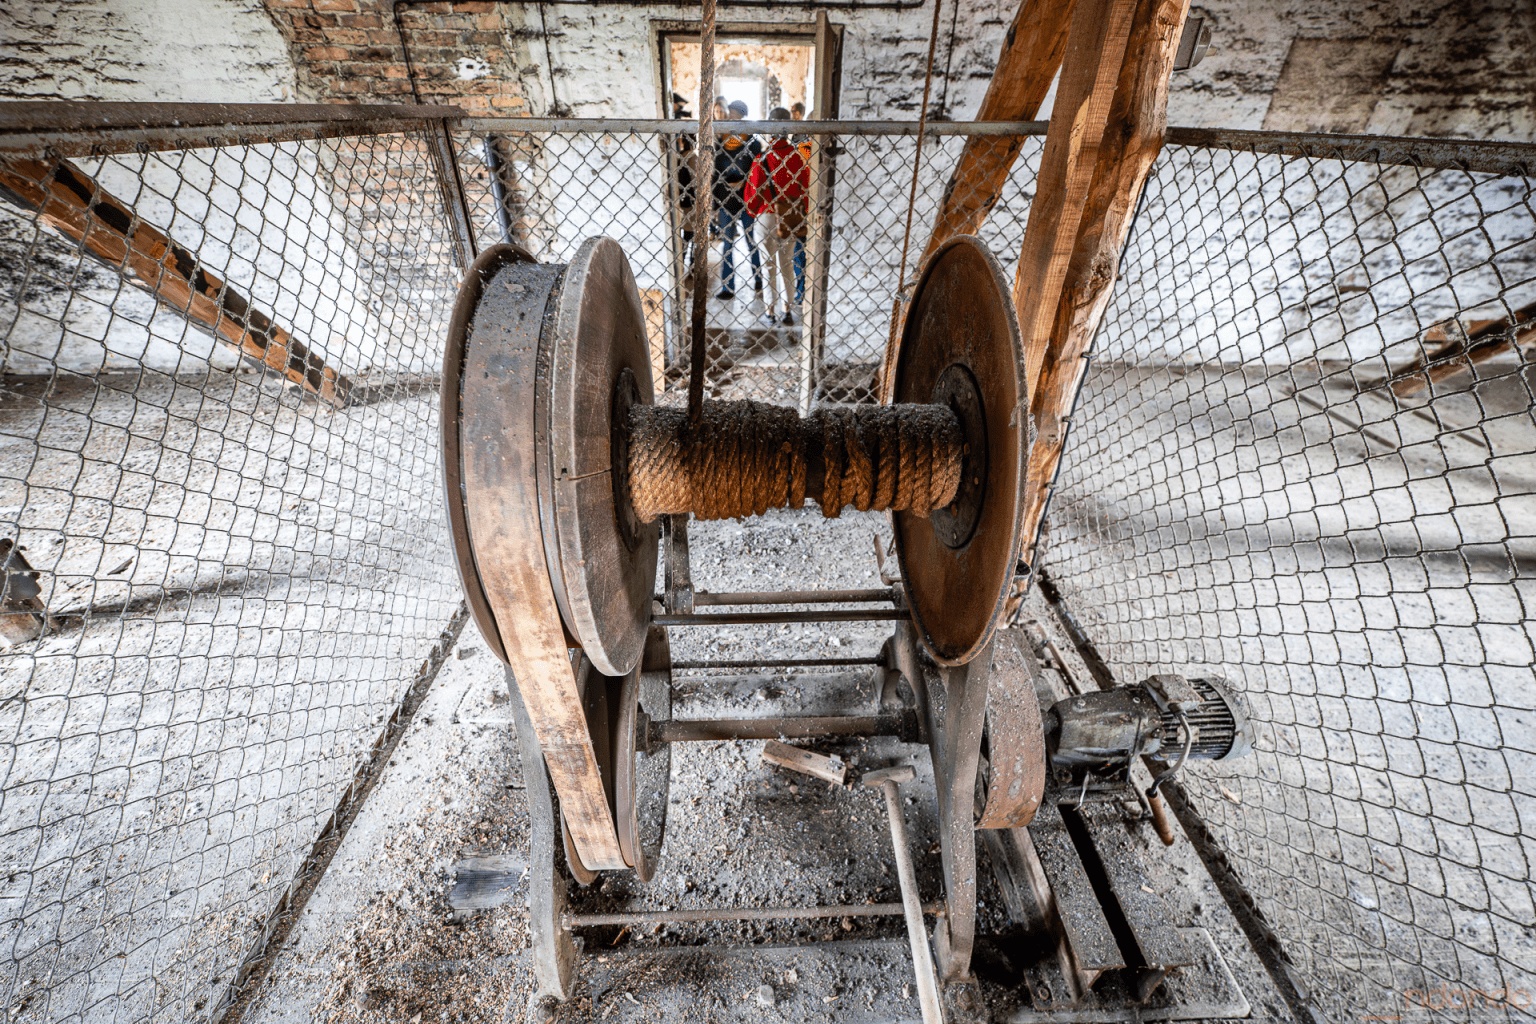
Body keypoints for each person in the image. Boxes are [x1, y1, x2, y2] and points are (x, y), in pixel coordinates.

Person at [746, 107, 808, 325]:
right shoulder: (798, 159)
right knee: (787, 264)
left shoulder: (761, 159)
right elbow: (805, 190)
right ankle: (787, 310)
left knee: (768, 265)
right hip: (789, 215)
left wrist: (755, 210)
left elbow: (751, 198)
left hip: (766, 216)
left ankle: (770, 311)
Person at [711, 99, 763, 301]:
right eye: (730, 113)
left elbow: (759, 171)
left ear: (742, 116)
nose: (731, 117)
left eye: (735, 113)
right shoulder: (720, 144)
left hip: (747, 200)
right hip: (726, 201)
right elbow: (714, 174)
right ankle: (727, 286)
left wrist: (744, 182)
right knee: (727, 245)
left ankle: (759, 278)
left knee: (751, 242)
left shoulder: (753, 143)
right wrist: (715, 204)